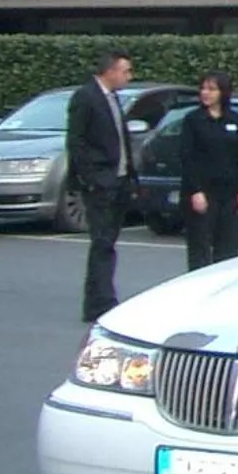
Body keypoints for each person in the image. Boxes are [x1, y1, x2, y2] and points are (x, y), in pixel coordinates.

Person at [67, 48, 137, 323]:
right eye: (125, 71)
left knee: (108, 241)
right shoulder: (86, 97)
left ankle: (102, 296)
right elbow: (76, 141)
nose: (128, 77)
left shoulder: (113, 99)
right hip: (101, 181)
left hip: (119, 180)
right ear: (110, 71)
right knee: (102, 242)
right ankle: (99, 302)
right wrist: (91, 179)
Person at [179, 71, 238, 271]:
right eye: (203, 88)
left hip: (229, 193)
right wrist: (196, 191)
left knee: (228, 248)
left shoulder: (234, 119)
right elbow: (187, 157)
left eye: (211, 89)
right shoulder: (193, 120)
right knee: (200, 248)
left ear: (223, 92)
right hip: (203, 193)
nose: (206, 93)